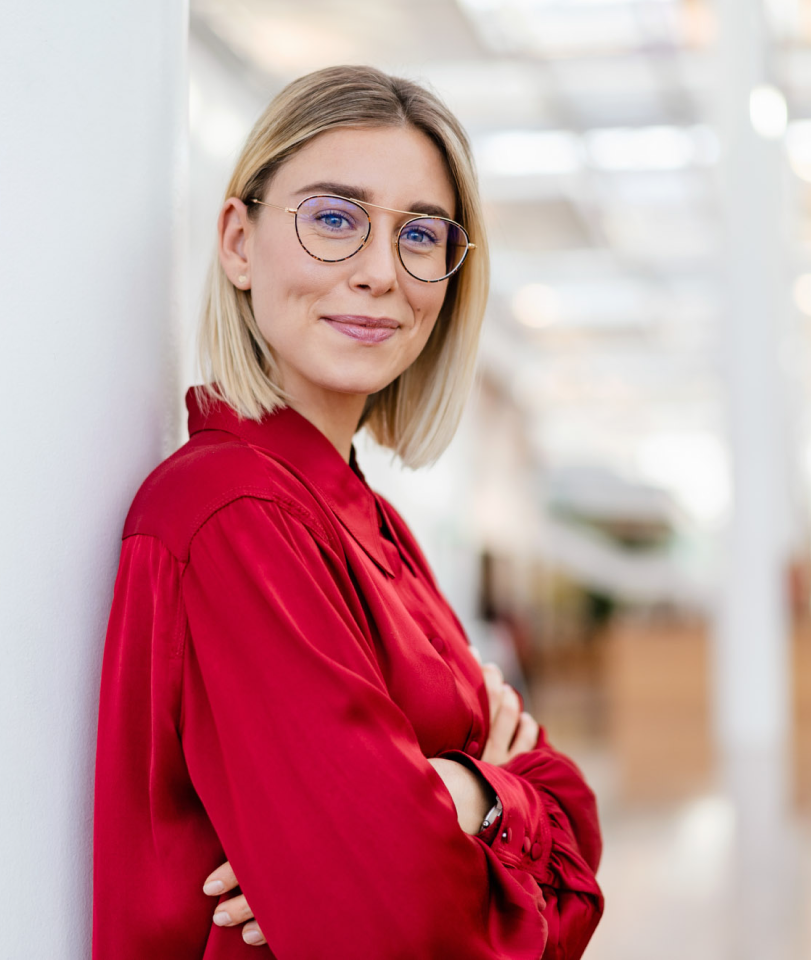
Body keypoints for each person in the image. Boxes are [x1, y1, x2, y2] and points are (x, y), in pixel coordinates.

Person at [92, 64, 603, 959]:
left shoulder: (369, 520)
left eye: (421, 235)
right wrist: (499, 789)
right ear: (239, 242)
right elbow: (400, 924)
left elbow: (581, 827)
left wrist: (464, 796)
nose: (378, 273)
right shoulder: (231, 516)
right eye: (334, 219)